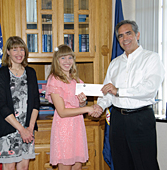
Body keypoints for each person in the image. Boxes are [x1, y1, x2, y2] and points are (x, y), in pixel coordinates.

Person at [94, 20, 165, 170]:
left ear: (137, 35)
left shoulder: (152, 58)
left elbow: (150, 89)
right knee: (121, 163)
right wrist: (99, 106)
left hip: (140, 118)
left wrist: (119, 91)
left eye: (128, 33)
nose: (125, 38)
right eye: (120, 36)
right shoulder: (115, 63)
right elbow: (107, 93)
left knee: (145, 164)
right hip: (117, 119)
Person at [45, 44, 95, 170]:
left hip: (77, 125)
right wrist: (87, 109)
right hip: (64, 127)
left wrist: (83, 102)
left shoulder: (76, 80)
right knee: (66, 165)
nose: (67, 61)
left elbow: (79, 104)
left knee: (77, 166)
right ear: (57, 60)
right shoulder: (54, 79)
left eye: (69, 58)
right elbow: (62, 111)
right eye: (63, 58)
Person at [0, 36, 40, 170]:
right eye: (15, 50)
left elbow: (36, 103)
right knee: (9, 167)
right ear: (8, 52)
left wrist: (30, 128)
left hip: (28, 129)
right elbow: (2, 105)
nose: (19, 53)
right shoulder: (2, 73)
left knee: (24, 167)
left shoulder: (31, 72)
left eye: (22, 49)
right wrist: (21, 130)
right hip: (9, 128)